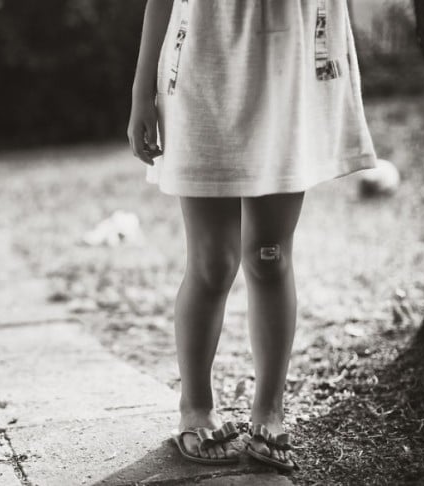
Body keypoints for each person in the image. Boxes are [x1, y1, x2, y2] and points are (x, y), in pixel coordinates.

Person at [127, 0, 376, 471]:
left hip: (291, 63)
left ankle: (270, 411)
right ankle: (195, 407)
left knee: (270, 256)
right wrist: (143, 91)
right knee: (212, 262)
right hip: (204, 54)